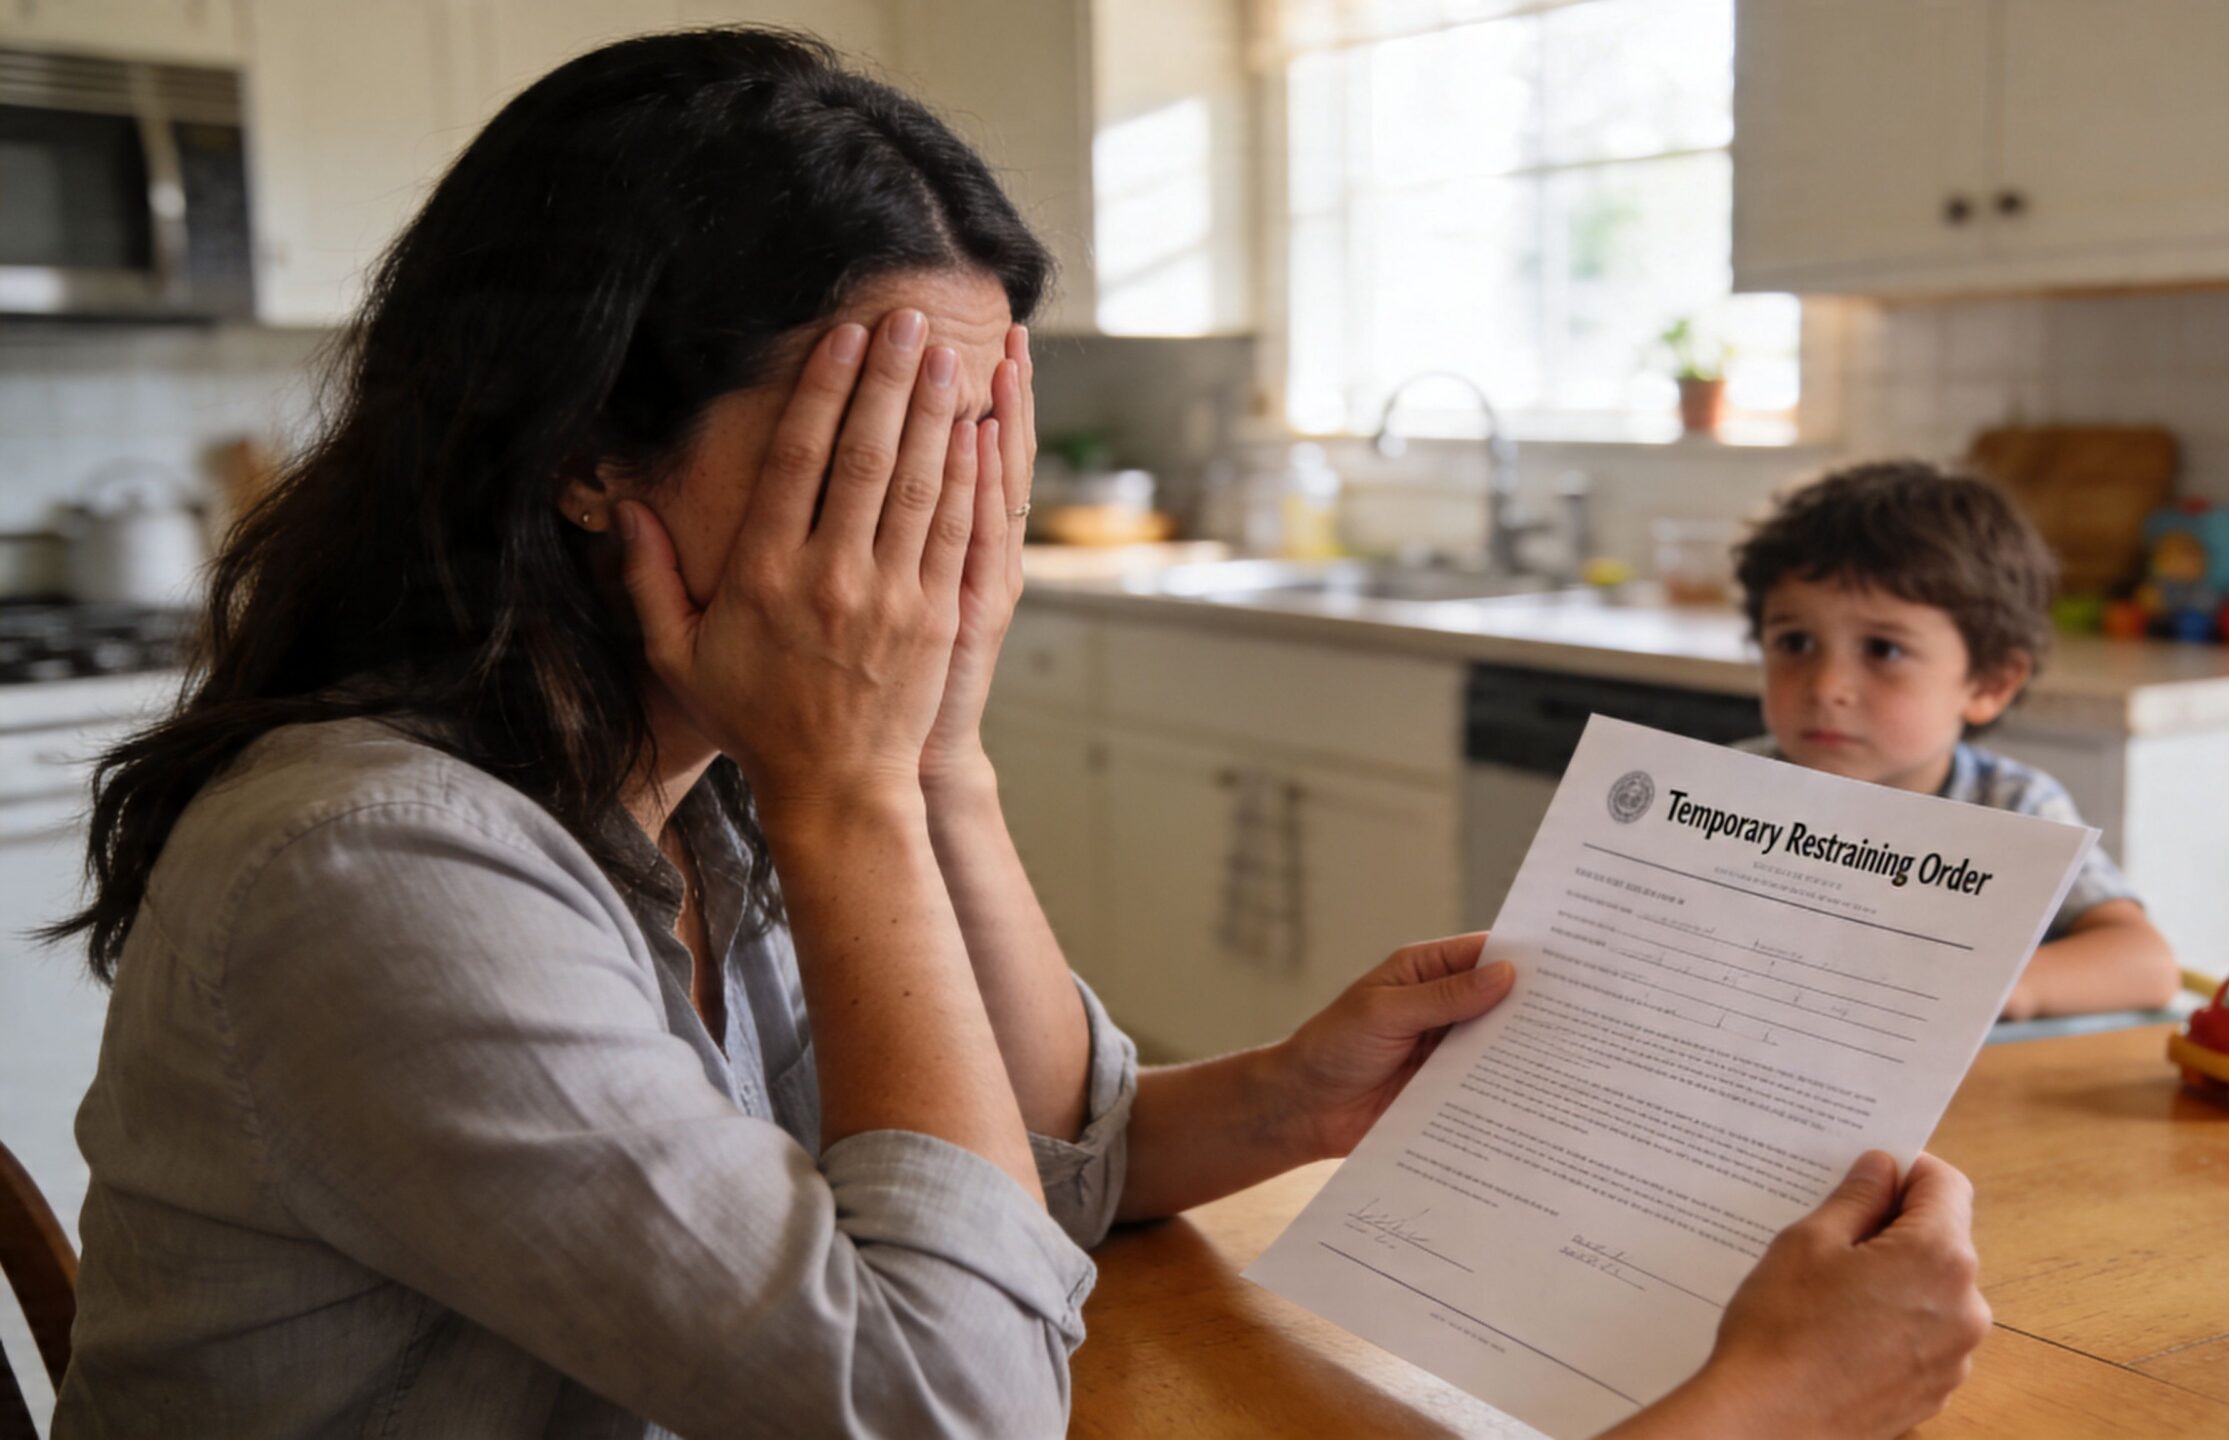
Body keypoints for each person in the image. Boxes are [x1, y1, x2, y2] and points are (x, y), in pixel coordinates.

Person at [44, 29, 1987, 1439]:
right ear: (581, 459)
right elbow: (957, 1401)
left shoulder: (684, 789)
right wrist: (1765, 1411)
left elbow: (1005, 1182)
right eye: (877, 449)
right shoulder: (379, 867)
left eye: (978, 444)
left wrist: (1273, 1085)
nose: (957, 529)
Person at [1732, 460, 2180, 1021]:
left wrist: (1983, 989)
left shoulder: (2014, 808)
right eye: (1794, 642)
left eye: (1883, 650)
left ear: (1989, 684)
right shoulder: (1722, 788)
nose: (1826, 688)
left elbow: (2146, 963)